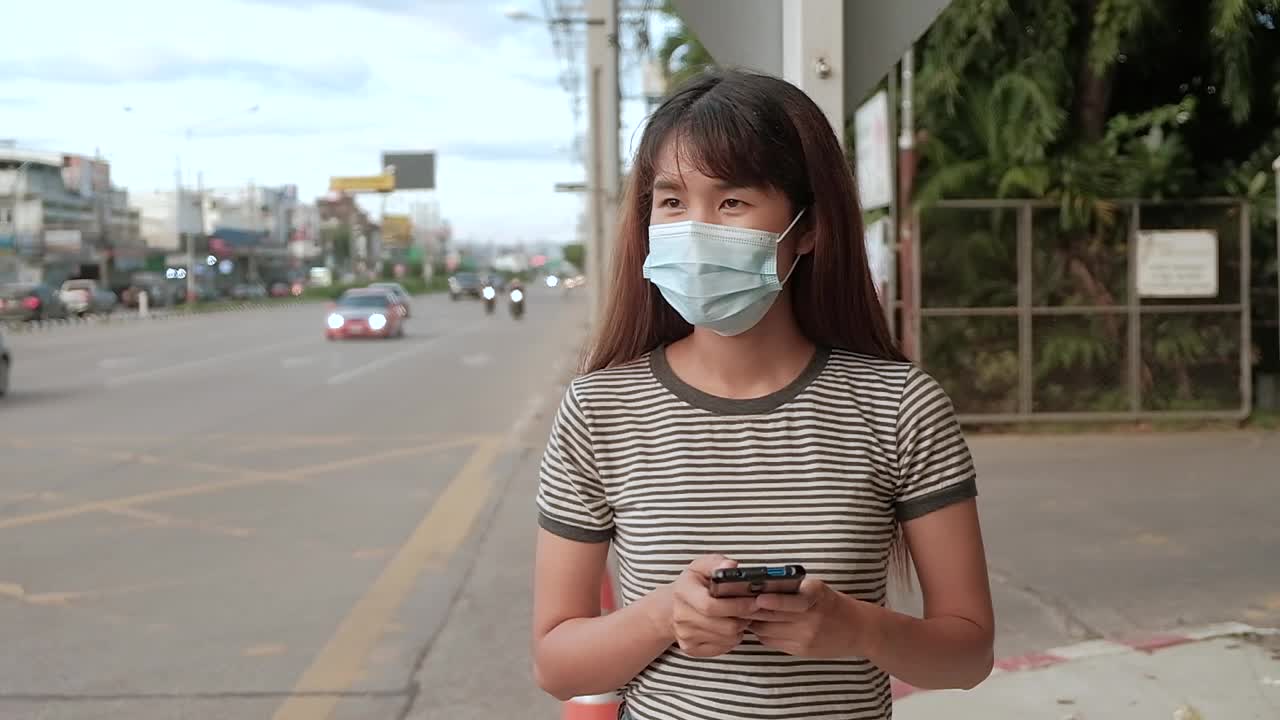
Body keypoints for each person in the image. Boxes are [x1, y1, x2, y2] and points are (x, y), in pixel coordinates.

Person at [532, 68, 994, 720]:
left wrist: (857, 629)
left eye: (732, 202)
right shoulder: (600, 408)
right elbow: (556, 663)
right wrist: (665, 614)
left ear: (807, 227)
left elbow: (968, 655)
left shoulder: (900, 405)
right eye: (671, 201)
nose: (695, 229)